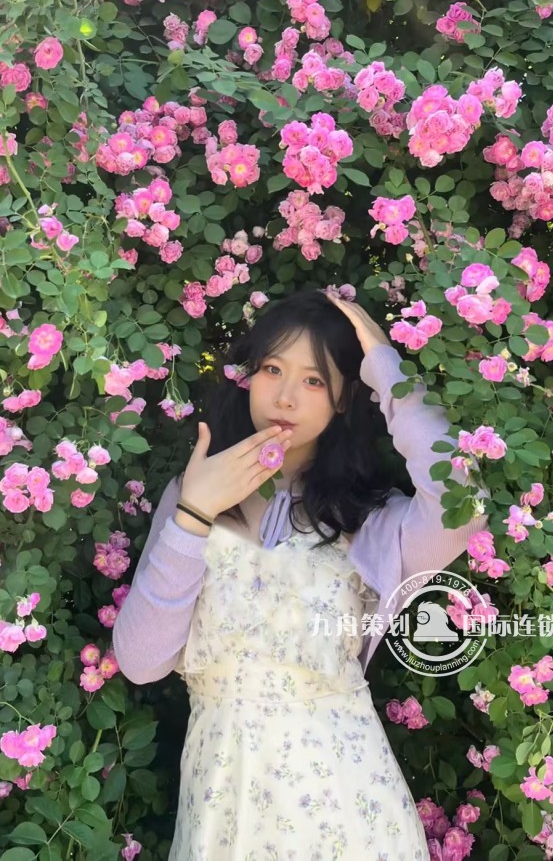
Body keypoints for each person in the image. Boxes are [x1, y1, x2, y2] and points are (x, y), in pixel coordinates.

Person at [113, 288, 489, 859]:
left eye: (314, 380)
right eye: (272, 369)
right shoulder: (195, 495)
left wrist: (385, 366)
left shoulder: (369, 520)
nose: (285, 396)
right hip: (224, 810)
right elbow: (141, 662)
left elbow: (463, 506)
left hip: (348, 809)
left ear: (344, 398)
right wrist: (194, 514)